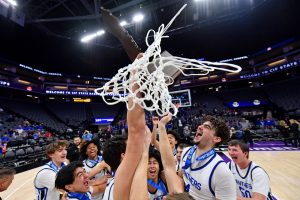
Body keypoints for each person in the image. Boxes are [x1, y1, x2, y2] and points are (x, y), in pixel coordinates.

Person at [179, 116, 236, 199]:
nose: (199, 126)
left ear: (216, 139)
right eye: (202, 125)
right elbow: (180, 176)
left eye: (207, 127)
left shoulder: (222, 172)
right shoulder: (186, 151)